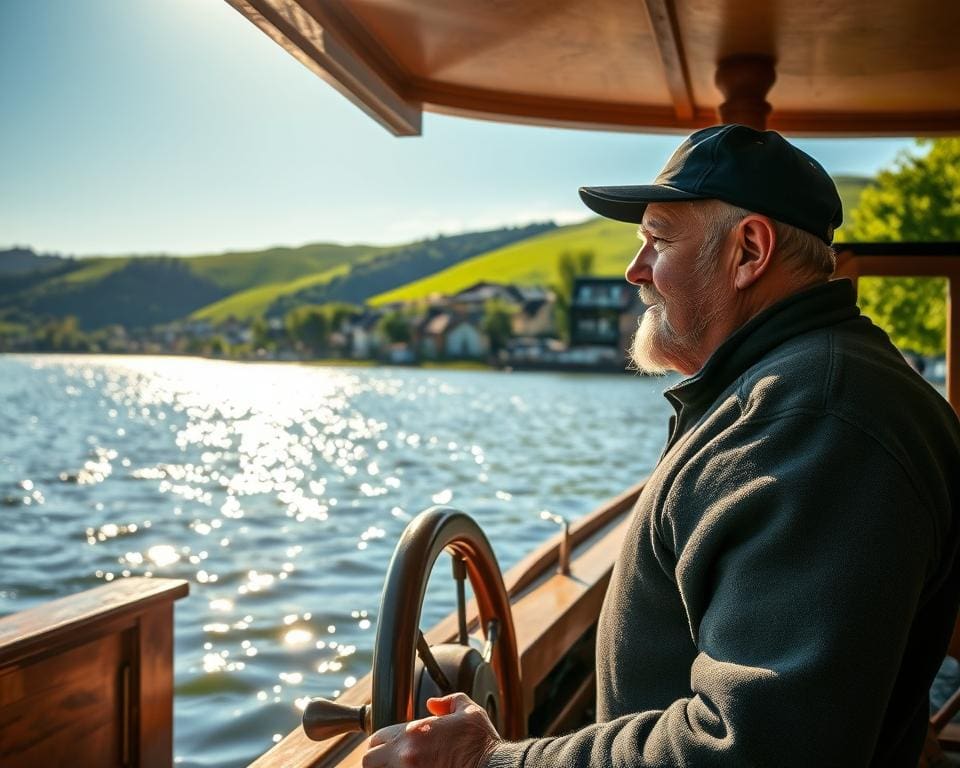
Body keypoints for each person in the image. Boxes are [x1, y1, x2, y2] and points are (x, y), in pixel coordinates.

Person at [361, 124, 960, 767]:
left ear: (748, 251)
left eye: (658, 240)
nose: (634, 269)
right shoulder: (796, 394)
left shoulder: (812, 423)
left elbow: (754, 748)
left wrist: (484, 762)